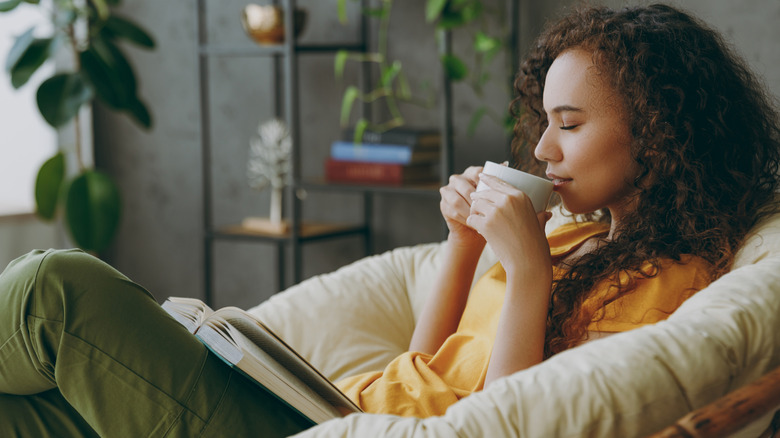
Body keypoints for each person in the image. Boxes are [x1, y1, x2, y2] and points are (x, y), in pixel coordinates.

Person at [1, 3, 778, 437]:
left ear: (658, 131)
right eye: (544, 120)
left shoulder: (666, 281)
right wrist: (465, 246)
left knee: (56, 288)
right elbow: (425, 364)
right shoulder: (580, 234)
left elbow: (508, 424)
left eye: (569, 124)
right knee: (28, 414)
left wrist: (529, 271)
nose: (541, 148)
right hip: (336, 409)